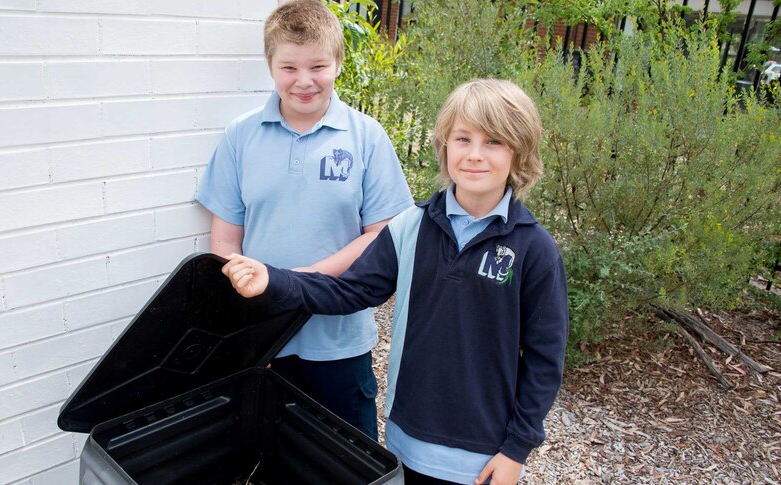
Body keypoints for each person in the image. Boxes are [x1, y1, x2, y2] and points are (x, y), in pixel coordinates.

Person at [222, 79, 569, 485]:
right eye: (463, 139)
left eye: (493, 142)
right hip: (407, 440)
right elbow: (349, 290)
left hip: (483, 455)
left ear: (518, 151)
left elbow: (545, 361)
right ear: (445, 145)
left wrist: (516, 449)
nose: (475, 155)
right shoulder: (412, 227)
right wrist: (274, 280)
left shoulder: (535, 250)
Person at [194, 0, 413, 441]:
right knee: (275, 455)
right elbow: (224, 243)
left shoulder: (367, 137)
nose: (304, 80)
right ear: (270, 65)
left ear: (338, 63)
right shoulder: (241, 136)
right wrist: (253, 317)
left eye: (318, 65)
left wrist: (294, 283)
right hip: (262, 340)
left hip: (339, 340)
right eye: (289, 67)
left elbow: (381, 236)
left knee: (348, 458)